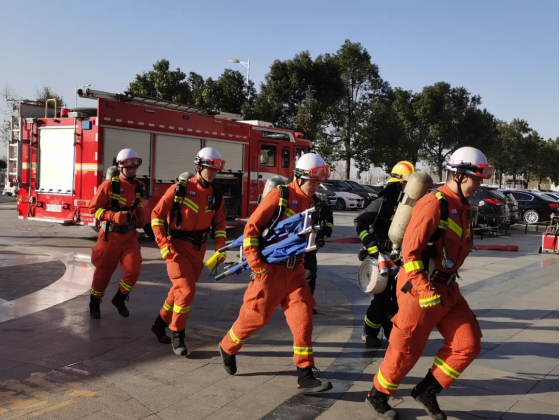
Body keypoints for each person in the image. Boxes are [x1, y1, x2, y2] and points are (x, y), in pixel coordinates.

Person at [366, 147, 492, 420]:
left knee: (468, 343)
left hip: (447, 289)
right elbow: (410, 252)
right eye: (476, 179)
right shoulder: (434, 203)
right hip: (419, 288)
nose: (479, 185)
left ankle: (427, 390)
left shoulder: (462, 206)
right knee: (406, 349)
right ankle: (378, 394)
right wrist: (423, 289)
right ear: (459, 175)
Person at [218, 153, 333, 394]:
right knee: (255, 318)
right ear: (299, 177)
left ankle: (305, 374)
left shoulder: (314, 203)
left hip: (295, 272)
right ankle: (227, 347)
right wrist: (257, 265)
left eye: (318, 182)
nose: (315, 186)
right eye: (312, 181)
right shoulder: (280, 196)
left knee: (303, 320)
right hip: (269, 271)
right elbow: (251, 229)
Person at [150, 147, 227, 356]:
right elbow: (156, 215)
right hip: (176, 248)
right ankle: (178, 334)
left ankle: (159, 324)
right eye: (209, 168)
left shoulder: (216, 195)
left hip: (199, 250)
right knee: (186, 291)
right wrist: (163, 244)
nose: (213, 173)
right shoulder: (179, 189)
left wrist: (220, 248)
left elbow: (220, 224)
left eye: (216, 170)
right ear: (198, 167)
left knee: (178, 291)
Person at [354, 161, 415, 347]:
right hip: (381, 256)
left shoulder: (412, 203)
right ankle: (369, 333)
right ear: (399, 183)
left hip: (402, 259)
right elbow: (360, 222)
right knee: (381, 299)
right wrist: (371, 245)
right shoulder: (382, 203)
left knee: (398, 299)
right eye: (408, 183)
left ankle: (391, 332)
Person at [89, 148, 146, 319]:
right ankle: (94, 301)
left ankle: (120, 298)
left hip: (129, 236)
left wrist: (141, 214)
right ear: (120, 166)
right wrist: (113, 216)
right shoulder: (108, 186)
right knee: (103, 273)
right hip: (109, 236)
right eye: (128, 166)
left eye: (134, 166)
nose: (132, 169)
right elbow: (93, 209)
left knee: (134, 270)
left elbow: (138, 204)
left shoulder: (139, 186)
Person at [305, 201, 334, 315]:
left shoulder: (321, 205)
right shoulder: (292, 198)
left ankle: (306, 304)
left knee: (310, 275)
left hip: (310, 245)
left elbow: (329, 225)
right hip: (289, 244)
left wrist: (322, 236)